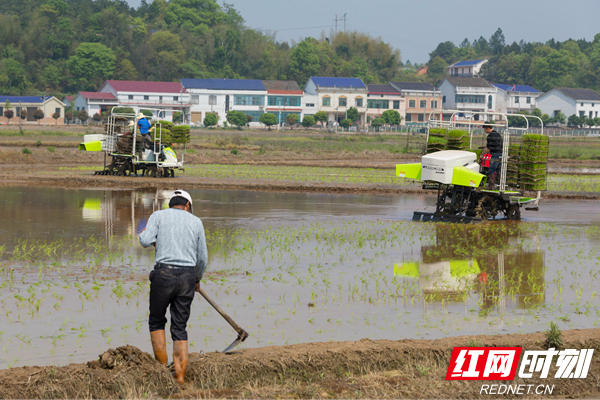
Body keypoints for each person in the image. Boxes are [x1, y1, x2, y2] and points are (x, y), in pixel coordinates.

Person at [139, 190, 207, 384]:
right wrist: (196, 278)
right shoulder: (196, 222)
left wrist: (145, 234)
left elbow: (144, 241)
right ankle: (179, 378)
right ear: (187, 205)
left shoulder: (158, 216)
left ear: (172, 204)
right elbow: (202, 258)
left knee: (157, 321)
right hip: (186, 277)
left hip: (163, 274)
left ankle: (161, 373)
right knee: (179, 327)